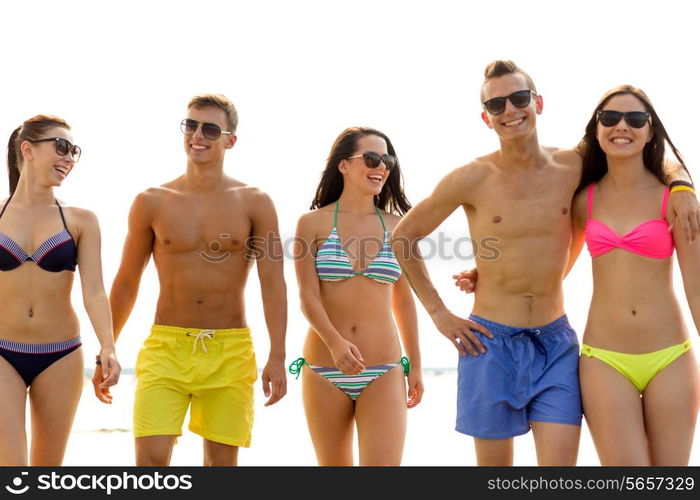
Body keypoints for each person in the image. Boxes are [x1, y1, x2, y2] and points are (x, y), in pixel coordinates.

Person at [391, 60, 700, 466]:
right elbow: (403, 237)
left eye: (519, 98)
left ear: (537, 102)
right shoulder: (470, 178)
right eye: (497, 105)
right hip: (489, 340)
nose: (510, 110)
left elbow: (638, 145)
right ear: (486, 118)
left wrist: (681, 184)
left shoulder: (572, 167)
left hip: (556, 343)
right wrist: (439, 313)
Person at [106, 94, 287, 466]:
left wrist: (278, 355)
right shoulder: (151, 201)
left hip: (230, 349)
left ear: (230, 140)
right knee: (150, 466)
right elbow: (126, 281)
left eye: (210, 128)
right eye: (190, 125)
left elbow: (273, 283)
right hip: (166, 347)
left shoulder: (256, 202)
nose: (197, 135)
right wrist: (106, 348)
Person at [566, 85, 699, 465]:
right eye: (610, 118)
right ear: (596, 129)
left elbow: (696, 287)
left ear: (650, 130)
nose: (621, 126)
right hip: (604, 359)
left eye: (635, 119)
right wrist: (491, 273)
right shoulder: (582, 201)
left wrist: (683, 183)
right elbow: (554, 270)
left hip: (670, 356)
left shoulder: (674, 199)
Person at [290, 127, 423, 465]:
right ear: (344, 166)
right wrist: (335, 343)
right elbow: (308, 297)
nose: (381, 167)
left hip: (384, 367)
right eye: (371, 158)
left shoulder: (398, 226)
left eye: (387, 160)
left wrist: (416, 366)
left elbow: (405, 302)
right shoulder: (312, 224)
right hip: (324, 366)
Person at [0, 115, 120, 466]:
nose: (69, 158)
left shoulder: (81, 220)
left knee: (47, 474)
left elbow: (95, 291)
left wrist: (108, 346)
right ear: (28, 150)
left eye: (74, 151)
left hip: (62, 355)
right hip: (3, 350)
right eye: (61, 147)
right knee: (11, 468)